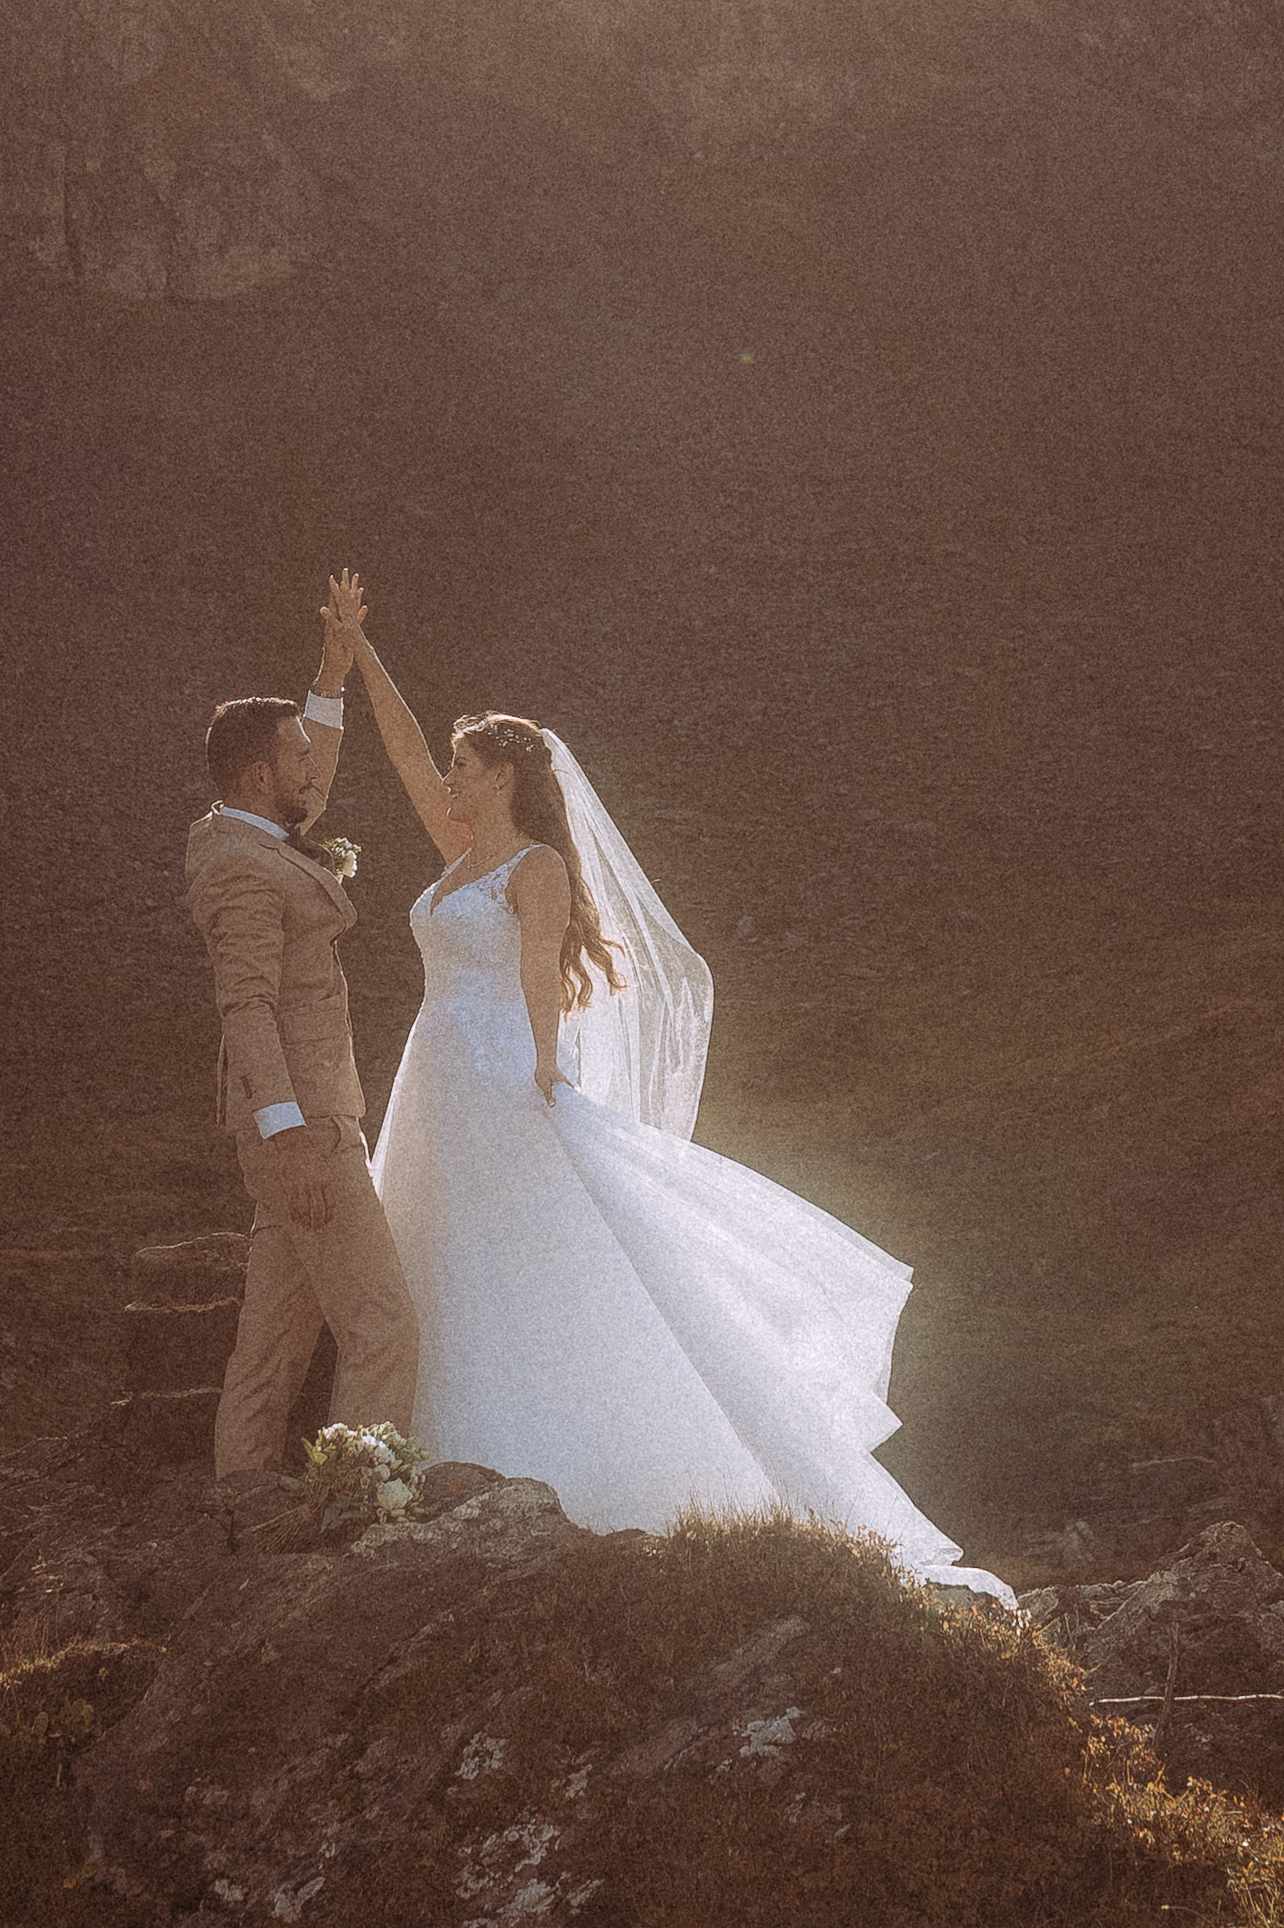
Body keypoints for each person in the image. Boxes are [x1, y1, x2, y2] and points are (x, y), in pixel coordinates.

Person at [319, 569, 1000, 1595]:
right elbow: (405, 753)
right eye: (453, 766)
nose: (448, 778)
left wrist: (546, 1068)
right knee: (428, 1246)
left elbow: (544, 971)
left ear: (503, 773)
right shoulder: (458, 852)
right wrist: (357, 653)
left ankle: (522, 1462)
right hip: (434, 1071)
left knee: (517, 1254)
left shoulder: (534, 866)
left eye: (466, 765)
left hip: (497, 1065)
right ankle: (410, 1462)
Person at [183, 630, 421, 1478]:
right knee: (381, 1325)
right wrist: (291, 1140)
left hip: (295, 1127)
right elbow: (245, 1008)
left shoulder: (245, 831)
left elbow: (305, 780)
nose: (312, 770)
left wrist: (330, 673)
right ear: (258, 777)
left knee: (271, 1349)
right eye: (296, 757)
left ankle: (237, 1506)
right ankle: (358, 1515)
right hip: (303, 1128)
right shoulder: (246, 868)